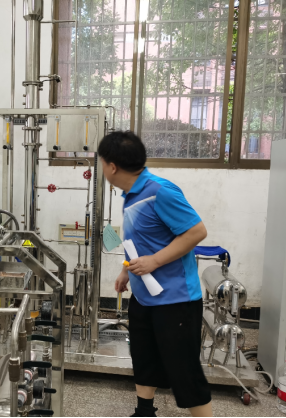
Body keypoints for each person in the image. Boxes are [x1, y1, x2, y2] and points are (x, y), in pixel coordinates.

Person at [98, 132, 212, 418]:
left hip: (175, 300)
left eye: (101, 162)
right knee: (144, 357)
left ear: (112, 166)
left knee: (184, 371)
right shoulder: (131, 194)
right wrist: (126, 270)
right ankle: (145, 412)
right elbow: (143, 239)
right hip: (144, 297)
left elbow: (196, 232)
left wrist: (154, 262)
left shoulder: (160, 191)